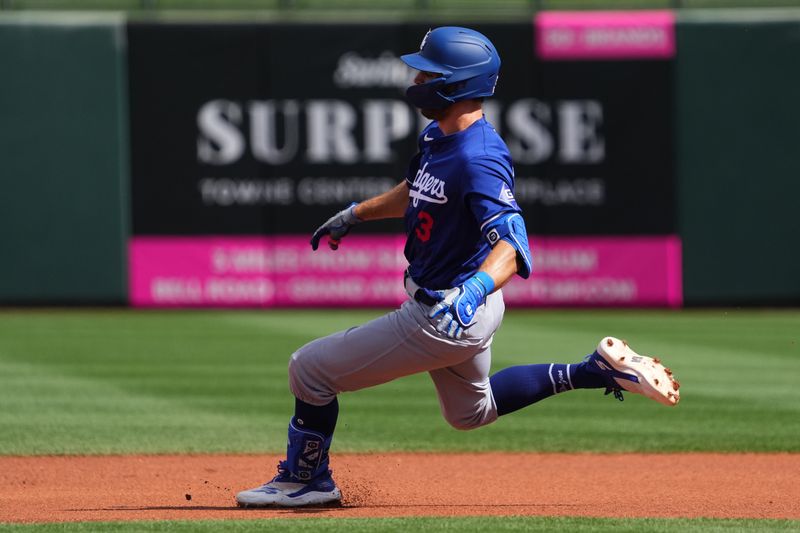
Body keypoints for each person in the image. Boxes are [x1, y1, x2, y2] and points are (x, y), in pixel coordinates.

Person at [236, 26, 680, 508]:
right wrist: (357, 213)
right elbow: (416, 190)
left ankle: (307, 480)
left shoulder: (479, 157)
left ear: (458, 84)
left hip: (445, 313)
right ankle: (591, 371)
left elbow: (512, 246)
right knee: (472, 413)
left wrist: (470, 292)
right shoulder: (439, 136)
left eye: (429, 71)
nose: (418, 77)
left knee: (309, 371)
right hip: (468, 309)